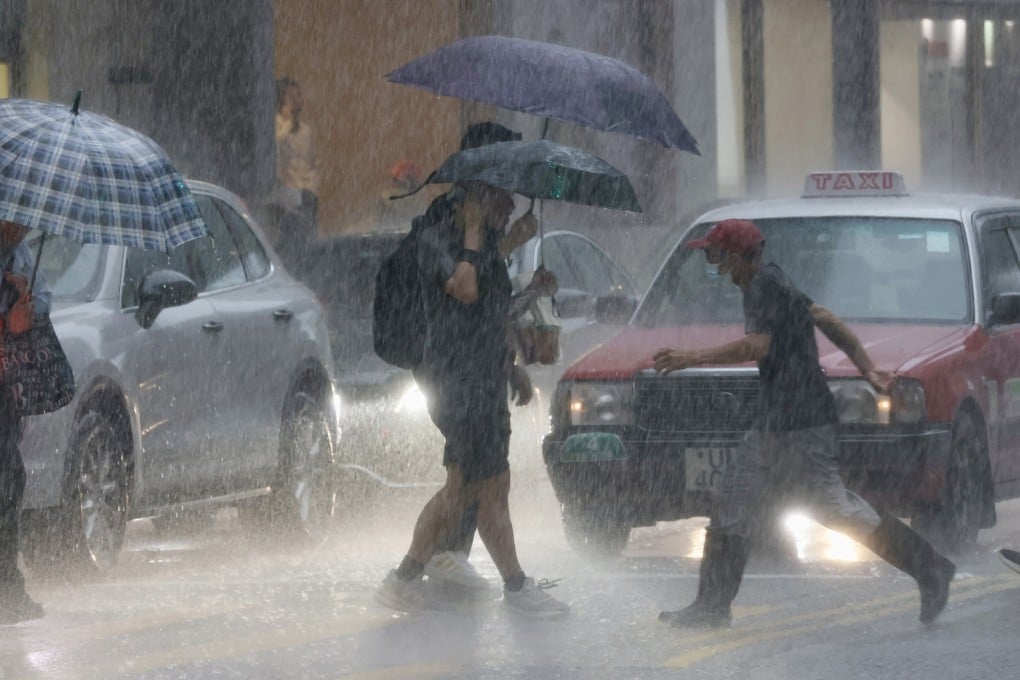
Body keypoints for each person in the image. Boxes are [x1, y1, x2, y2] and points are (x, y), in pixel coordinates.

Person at [653, 218, 956, 628]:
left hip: (803, 422)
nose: (715, 266)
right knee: (733, 503)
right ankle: (710, 607)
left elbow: (757, 345)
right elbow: (824, 316)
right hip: (777, 422)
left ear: (736, 256)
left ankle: (930, 567)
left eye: (715, 255)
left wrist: (692, 358)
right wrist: (865, 368)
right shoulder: (775, 278)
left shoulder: (762, 285)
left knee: (835, 510)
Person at [374, 170, 568, 618]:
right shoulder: (437, 240)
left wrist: (513, 361)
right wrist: (478, 230)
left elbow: (490, 311)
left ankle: (403, 579)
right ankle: (517, 588)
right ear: (475, 198)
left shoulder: (479, 247)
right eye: (503, 197)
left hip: (480, 379)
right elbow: (465, 289)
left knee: (461, 489)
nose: (513, 206)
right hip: (456, 383)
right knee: (491, 486)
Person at [0, 220, 50, 625]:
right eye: (15, 218)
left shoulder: (20, 255)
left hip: (5, 389)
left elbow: (44, 300)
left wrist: (27, 301)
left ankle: (8, 586)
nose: (22, 227)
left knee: (10, 483)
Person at [271, 77, 320, 260]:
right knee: (288, 245)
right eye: (291, 96)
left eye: (298, 95)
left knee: (307, 244)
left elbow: (311, 162)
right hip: (286, 198)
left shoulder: (306, 131)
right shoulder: (274, 126)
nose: (297, 99)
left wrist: (313, 187)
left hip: (306, 195)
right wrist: (287, 122)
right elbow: (273, 150)